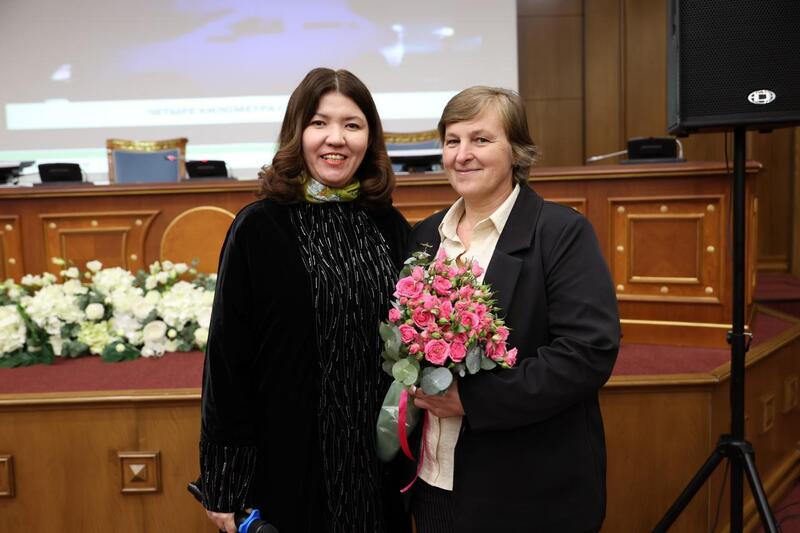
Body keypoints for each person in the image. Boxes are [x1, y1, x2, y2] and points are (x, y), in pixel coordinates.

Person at [199, 67, 411, 533]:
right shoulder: (259, 227)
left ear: (370, 138)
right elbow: (228, 364)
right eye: (319, 123)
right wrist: (224, 482)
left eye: (352, 125)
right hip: (288, 471)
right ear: (298, 133)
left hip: (377, 474)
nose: (336, 138)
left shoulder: (389, 226)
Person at [405, 86, 620, 532]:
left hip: (526, 494)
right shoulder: (424, 236)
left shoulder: (561, 232)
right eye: (452, 141)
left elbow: (587, 353)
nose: (462, 154)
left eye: (481, 140)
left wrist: (472, 400)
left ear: (517, 152)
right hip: (432, 482)